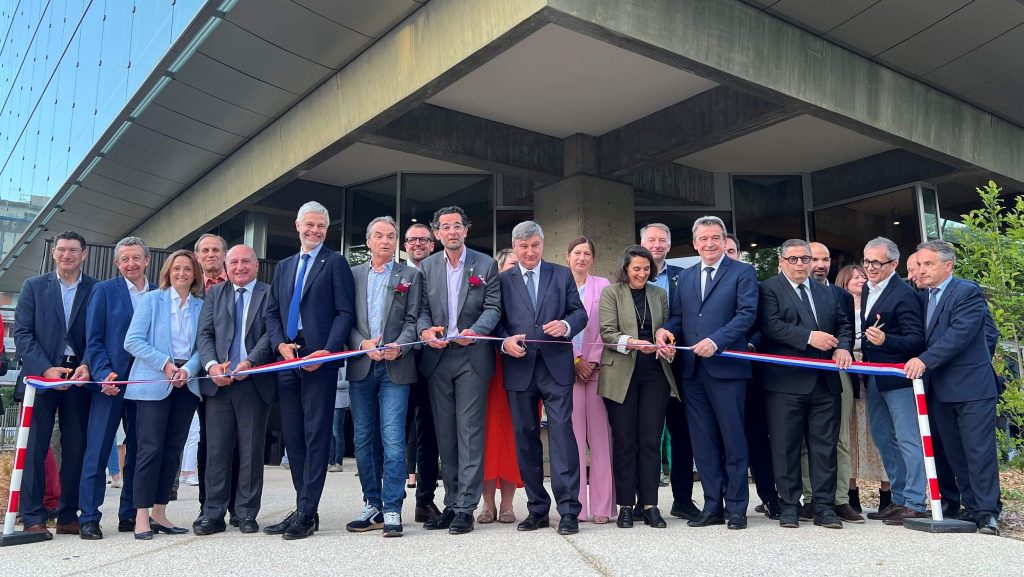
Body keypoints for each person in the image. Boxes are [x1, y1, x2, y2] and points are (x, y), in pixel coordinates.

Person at [656, 216, 758, 530]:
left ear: (723, 240)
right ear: (695, 242)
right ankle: (712, 505)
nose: (710, 243)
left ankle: (737, 507)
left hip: (727, 369)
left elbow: (746, 315)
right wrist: (664, 331)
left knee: (733, 439)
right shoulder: (684, 278)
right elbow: (679, 317)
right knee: (703, 442)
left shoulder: (743, 272)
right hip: (693, 372)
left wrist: (717, 341)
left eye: (715, 237)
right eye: (704, 238)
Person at [264, 200, 356, 540]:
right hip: (289, 356)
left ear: (326, 230)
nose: (314, 230)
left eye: (320, 226)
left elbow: (345, 312)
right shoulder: (285, 266)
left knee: (317, 434)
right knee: (294, 435)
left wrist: (328, 351)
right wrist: (280, 345)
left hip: (319, 357)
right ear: (297, 226)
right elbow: (272, 312)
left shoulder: (335, 263)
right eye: (309, 225)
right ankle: (306, 508)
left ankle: (305, 510)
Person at [905, 240, 1001, 535]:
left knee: (978, 451)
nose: (921, 270)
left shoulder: (966, 291)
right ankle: (964, 506)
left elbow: (963, 333)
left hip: (972, 388)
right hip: (939, 389)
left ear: (948, 266)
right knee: (952, 451)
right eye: (919, 264)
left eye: (928, 264)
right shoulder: (923, 297)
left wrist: (927, 360)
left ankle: (986, 513)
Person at [498, 220, 588, 536]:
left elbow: (580, 314)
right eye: (523, 246)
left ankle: (568, 511)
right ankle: (537, 509)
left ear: (542, 244)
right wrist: (505, 341)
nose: (530, 251)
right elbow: (497, 322)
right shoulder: (503, 279)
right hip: (520, 369)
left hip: (556, 369)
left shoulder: (561, 275)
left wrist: (565, 326)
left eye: (535, 245)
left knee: (563, 437)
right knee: (526, 440)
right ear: (515, 246)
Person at [758, 239, 853, 530]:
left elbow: (844, 326)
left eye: (805, 259)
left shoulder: (827, 293)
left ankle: (824, 507)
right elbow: (771, 325)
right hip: (785, 384)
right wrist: (810, 337)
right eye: (794, 259)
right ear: (782, 261)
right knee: (786, 447)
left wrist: (844, 348)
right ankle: (789, 506)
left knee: (824, 447)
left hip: (826, 383)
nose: (800, 264)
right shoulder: (768, 289)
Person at [417, 206, 501, 535]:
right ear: (437, 233)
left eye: (457, 226)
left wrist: (477, 330)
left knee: (469, 433)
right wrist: (425, 332)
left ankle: (467, 506)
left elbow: (494, 306)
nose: (452, 232)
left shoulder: (485, 264)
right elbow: (421, 310)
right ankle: (451, 504)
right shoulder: (426, 267)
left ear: (466, 230)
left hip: (472, 357)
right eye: (445, 227)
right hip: (438, 358)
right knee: (446, 436)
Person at [14, 231, 96, 538]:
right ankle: (32, 515)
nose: (67, 255)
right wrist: (47, 369)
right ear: (53, 253)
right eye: (62, 250)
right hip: (41, 375)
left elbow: (99, 333)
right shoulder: (33, 287)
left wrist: (86, 364)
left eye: (74, 250)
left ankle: (68, 514)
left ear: (84, 254)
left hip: (80, 377)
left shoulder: (95, 289)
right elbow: (22, 334)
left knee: (77, 448)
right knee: (34, 448)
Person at [344, 216, 422, 538]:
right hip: (363, 365)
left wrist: (399, 347)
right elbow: (346, 320)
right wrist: (361, 345)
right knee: (363, 439)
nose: (386, 241)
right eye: (379, 236)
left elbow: (414, 319)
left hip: (395, 367)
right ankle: (372, 503)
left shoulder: (410, 276)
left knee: (392, 439)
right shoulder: (353, 275)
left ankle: (392, 507)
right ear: (369, 240)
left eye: (391, 236)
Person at [193, 244, 277, 536]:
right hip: (218, 385)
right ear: (226, 267)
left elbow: (271, 335)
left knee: (251, 451)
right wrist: (212, 366)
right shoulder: (215, 294)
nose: (239, 267)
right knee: (216, 451)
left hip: (253, 383)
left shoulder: (270, 293)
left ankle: (245, 513)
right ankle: (212, 513)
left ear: (256, 265)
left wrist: (250, 361)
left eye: (245, 262)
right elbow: (204, 333)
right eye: (234, 262)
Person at [123, 249, 204, 540]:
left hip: (186, 384)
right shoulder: (151, 301)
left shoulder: (200, 305)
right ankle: (141, 515)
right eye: (176, 268)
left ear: (195, 274)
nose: (182, 273)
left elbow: (201, 348)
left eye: (187, 269)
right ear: (168, 272)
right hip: (154, 381)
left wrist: (189, 370)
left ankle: (160, 512)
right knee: (149, 450)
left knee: (173, 451)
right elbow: (132, 341)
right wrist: (166, 364)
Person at [78, 236, 155, 540]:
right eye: (125, 259)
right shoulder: (104, 291)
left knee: (139, 452)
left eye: (136, 258)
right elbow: (93, 339)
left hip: (146, 384)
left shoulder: (158, 294)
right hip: (110, 383)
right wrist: (103, 374)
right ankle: (89, 516)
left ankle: (129, 514)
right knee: (97, 450)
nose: (131, 264)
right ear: (117, 263)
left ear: (147, 260)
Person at [598, 245, 677, 529]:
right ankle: (625, 506)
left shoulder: (660, 294)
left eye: (646, 269)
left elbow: (667, 329)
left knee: (650, 440)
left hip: (655, 373)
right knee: (624, 442)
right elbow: (607, 332)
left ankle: (650, 505)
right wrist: (633, 343)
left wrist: (666, 345)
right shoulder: (611, 292)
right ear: (626, 269)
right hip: (621, 372)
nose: (642, 274)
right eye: (637, 269)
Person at [858, 237, 927, 525]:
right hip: (874, 375)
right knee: (883, 437)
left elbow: (916, 340)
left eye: (877, 262)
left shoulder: (904, 293)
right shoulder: (865, 287)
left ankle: (914, 501)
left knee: (908, 439)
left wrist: (887, 339)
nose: (870, 267)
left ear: (894, 264)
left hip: (899, 378)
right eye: (866, 261)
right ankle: (898, 498)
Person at [800, 242, 863, 523]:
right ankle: (811, 498)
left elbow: (846, 330)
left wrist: (844, 348)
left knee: (839, 438)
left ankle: (839, 499)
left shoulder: (841, 295)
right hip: (800, 372)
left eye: (825, 259)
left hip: (836, 372)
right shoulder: (791, 292)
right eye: (814, 258)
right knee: (804, 439)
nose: (820, 264)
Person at [640, 223, 698, 521]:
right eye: (651, 239)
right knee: (644, 436)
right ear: (642, 243)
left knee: (681, 434)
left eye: (663, 240)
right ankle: (642, 501)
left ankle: (683, 499)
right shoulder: (630, 275)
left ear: (670, 244)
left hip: (677, 364)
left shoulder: (683, 277)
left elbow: (688, 315)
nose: (657, 244)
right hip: (640, 365)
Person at [728, 234, 780, 520]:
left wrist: (750, 345)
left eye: (732, 250)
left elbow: (763, 325)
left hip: (750, 372)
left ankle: (769, 497)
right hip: (719, 374)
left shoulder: (754, 286)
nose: (727, 255)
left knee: (758, 438)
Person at [835, 264, 890, 515]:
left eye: (863, 276)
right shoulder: (840, 309)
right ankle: (851, 493)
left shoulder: (877, 304)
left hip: (875, 371)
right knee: (850, 433)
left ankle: (886, 494)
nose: (860, 280)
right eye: (855, 277)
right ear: (844, 282)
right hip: (847, 372)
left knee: (880, 431)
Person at [567, 237, 614, 525]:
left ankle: (602, 506)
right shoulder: (559, 284)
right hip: (567, 371)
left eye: (587, 254)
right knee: (571, 440)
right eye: (577, 253)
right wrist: (575, 360)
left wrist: (591, 360)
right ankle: (575, 506)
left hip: (597, 370)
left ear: (593, 259)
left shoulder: (603, 286)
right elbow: (557, 326)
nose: (582, 258)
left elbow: (607, 326)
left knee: (600, 440)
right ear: (567, 257)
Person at [479, 248, 523, 525]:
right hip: (488, 369)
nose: (515, 270)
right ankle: (487, 505)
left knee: (511, 437)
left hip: (518, 369)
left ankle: (507, 504)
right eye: (510, 265)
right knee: (486, 438)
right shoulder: (489, 293)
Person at [191, 234, 232, 519]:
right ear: (196, 256)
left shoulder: (236, 284)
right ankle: (207, 502)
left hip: (227, 373)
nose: (210, 255)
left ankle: (231, 503)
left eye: (216, 250)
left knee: (228, 441)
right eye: (204, 250)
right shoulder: (188, 286)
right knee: (205, 441)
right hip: (190, 373)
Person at [402, 223, 442, 522]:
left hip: (432, 364)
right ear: (405, 245)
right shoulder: (396, 275)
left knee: (429, 434)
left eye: (424, 240)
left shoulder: (440, 273)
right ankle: (388, 502)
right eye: (412, 240)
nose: (418, 244)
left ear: (433, 244)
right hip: (398, 363)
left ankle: (424, 500)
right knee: (395, 433)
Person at [330, 368, 350, 473]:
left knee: (337, 432)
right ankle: (330, 460)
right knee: (330, 433)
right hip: (329, 402)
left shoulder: (345, 364)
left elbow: (347, 381)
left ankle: (338, 462)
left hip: (339, 403)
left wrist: (330, 383)